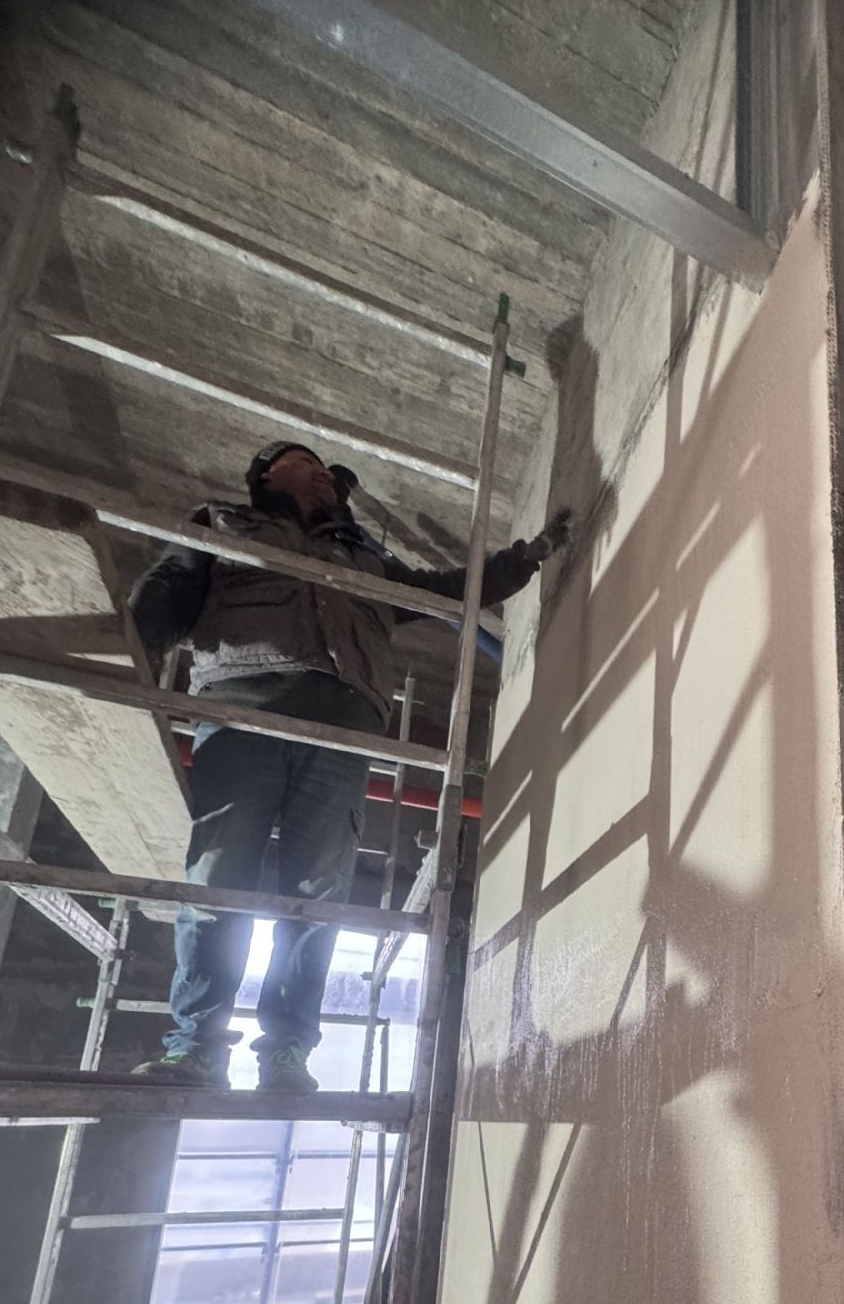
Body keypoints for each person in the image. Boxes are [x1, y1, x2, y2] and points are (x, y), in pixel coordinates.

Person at [130, 439, 567, 1091]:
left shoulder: (362, 556)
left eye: (326, 473)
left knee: (317, 892)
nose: (322, 477)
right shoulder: (221, 522)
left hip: (345, 720)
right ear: (266, 474)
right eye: (305, 464)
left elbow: (448, 591)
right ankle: (196, 1048)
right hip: (244, 706)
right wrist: (128, 648)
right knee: (221, 879)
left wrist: (523, 560)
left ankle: (286, 1053)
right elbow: (166, 591)